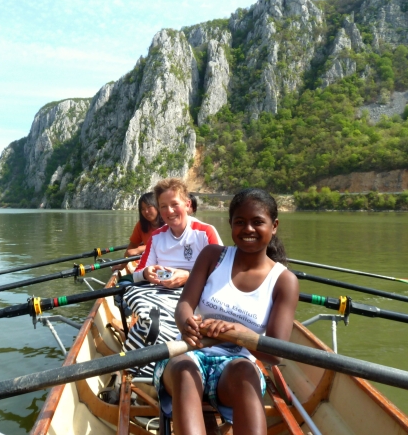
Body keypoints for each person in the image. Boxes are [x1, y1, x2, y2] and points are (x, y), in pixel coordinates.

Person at [153, 188, 299, 434]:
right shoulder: (213, 256)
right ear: (231, 224)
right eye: (240, 222)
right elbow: (185, 305)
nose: (248, 229)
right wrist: (186, 323)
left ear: (274, 226)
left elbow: (275, 354)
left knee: (246, 372)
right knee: (185, 371)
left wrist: (241, 332)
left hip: (235, 364)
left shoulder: (284, 281)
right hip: (189, 352)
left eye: (257, 222)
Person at [123, 178, 223, 377]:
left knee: (153, 321)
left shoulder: (205, 232)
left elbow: (223, 274)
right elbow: (136, 274)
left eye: (174, 204)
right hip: (160, 292)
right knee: (132, 290)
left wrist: (188, 277)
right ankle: (155, 339)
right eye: (163, 207)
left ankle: (153, 354)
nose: (169, 211)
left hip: (196, 294)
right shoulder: (157, 237)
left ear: (187, 204)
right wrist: (145, 273)